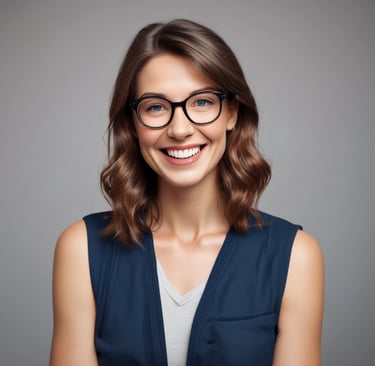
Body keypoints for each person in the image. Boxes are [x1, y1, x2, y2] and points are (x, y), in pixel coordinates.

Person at [49, 19, 324, 366]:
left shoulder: (296, 256)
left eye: (202, 102)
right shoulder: (81, 249)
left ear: (232, 113)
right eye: (155, 107)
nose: (180, 129)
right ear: (132, 124)